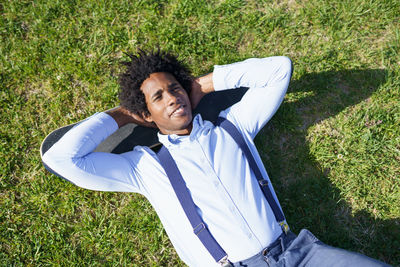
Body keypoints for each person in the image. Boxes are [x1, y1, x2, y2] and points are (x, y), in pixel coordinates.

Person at [42, 49, 389, 266]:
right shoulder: (143, 167)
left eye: (175, 88)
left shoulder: (233, 126)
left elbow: (279, 70)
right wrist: (123, 115)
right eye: (158, 98)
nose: (172, 98)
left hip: (298, 254)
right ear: (145, 114)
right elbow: (62, 159)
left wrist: (204, 85)